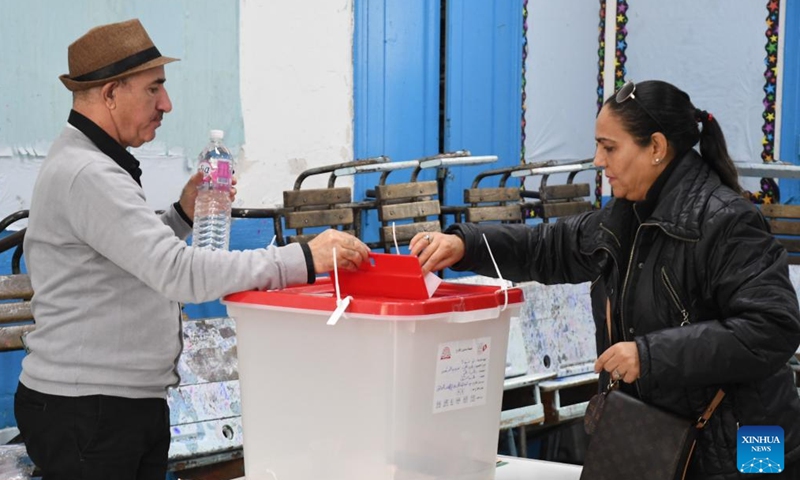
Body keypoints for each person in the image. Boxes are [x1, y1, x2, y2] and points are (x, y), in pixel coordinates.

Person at [13, 19, 369, 479]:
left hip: (109, 405)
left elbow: (124, 260)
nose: (167, 104)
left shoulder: (93, 165)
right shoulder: (89, 174)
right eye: (153, 89)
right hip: (90, 412)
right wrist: (303, 258)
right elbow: (178, 273)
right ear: (109, 93)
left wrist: (182, 214)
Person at [410, 80, 800, 479]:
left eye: (609, 147)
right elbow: (546, 247)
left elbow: (773, 328)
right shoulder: (623, 216)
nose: (597, 160)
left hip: (746, 449)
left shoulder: (728, 221)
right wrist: (466, 245)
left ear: (657, 148)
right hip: (660, 442)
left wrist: (649, 356)